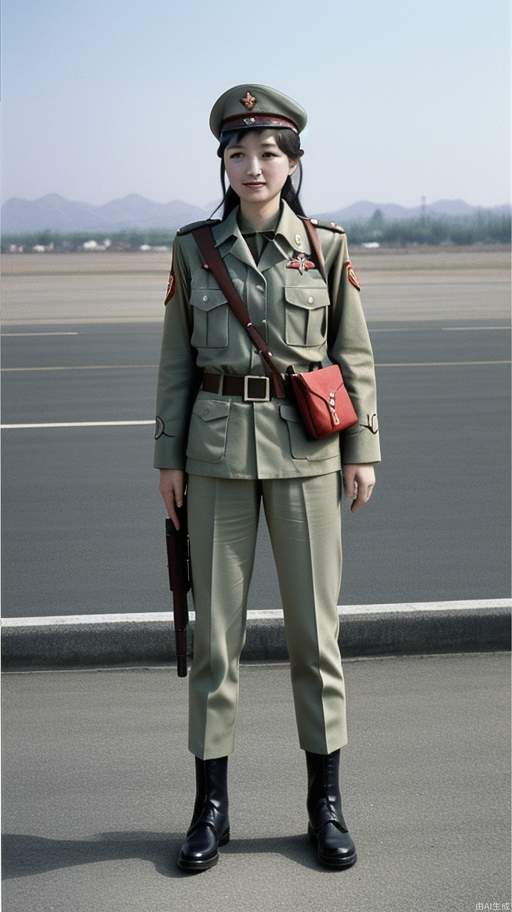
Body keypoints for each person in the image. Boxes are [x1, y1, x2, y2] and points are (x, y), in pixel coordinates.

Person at [153, 83, 381, 873]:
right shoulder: (193, 247)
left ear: (293, 162)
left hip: (308, 459)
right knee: (216, 643)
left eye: (269, 153)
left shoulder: (325, 245)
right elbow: (177, 361)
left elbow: (352, 354)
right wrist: (168, 458)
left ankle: (326, 804)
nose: (254, 166)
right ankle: (209, 808)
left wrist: (363, 450)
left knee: (317, 639)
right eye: (238, 153)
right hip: (215, 459)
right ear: (222, 161)